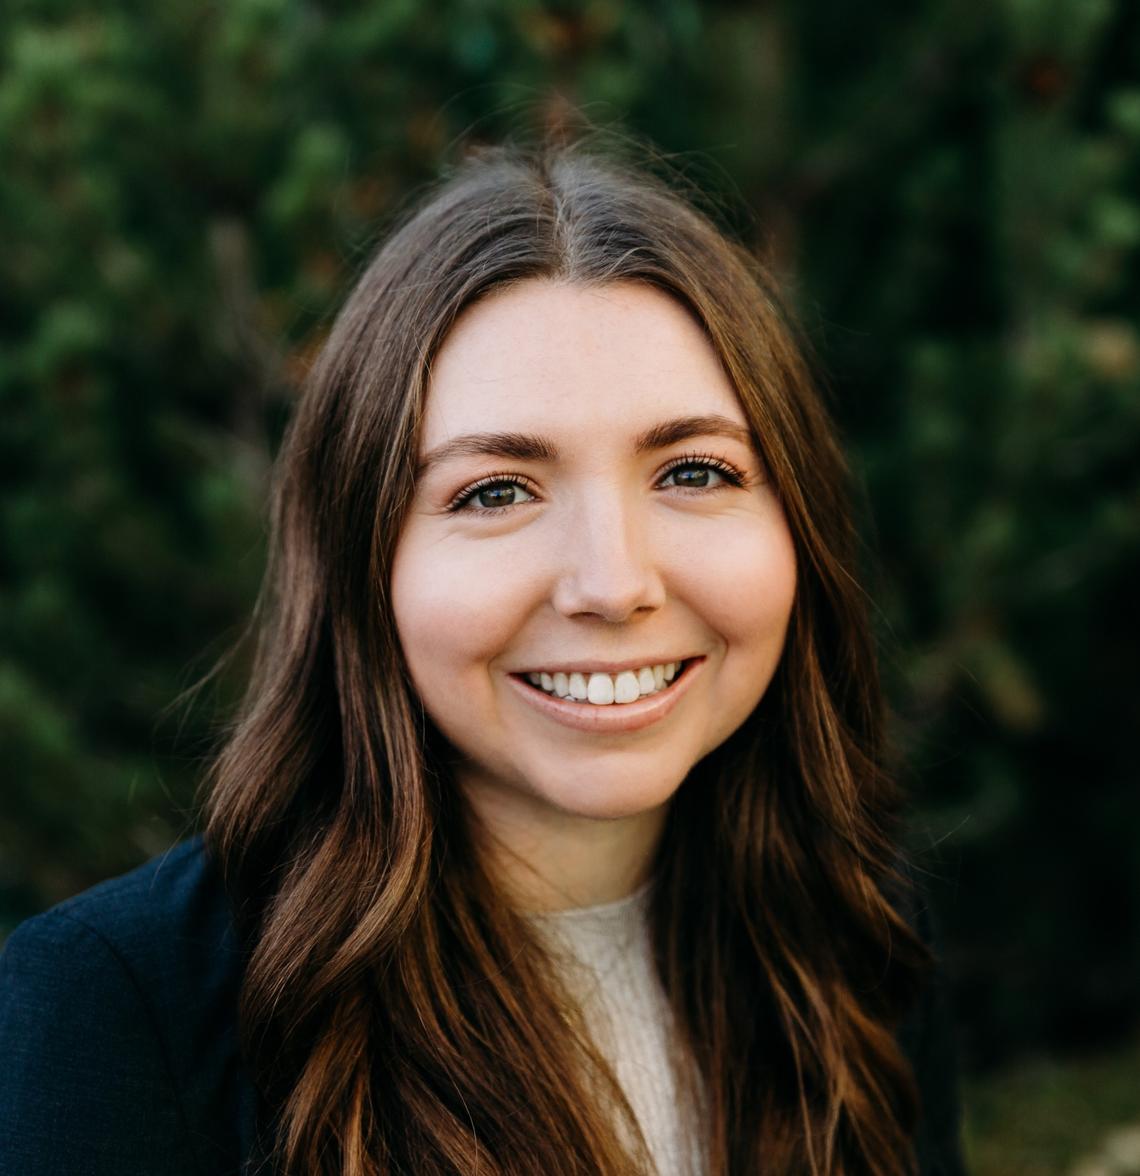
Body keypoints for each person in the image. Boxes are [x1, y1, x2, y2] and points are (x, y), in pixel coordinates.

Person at [0, 135, 966, 1175]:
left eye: (693, 471)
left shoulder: (853, 931)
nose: (612, 582)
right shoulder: (114, 1008)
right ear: (363, 562)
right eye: (495, 492)